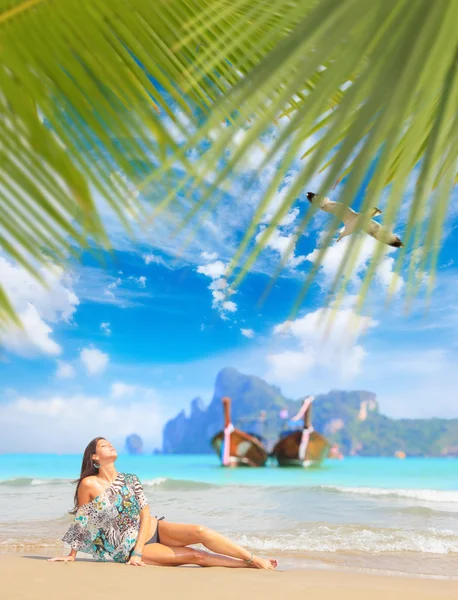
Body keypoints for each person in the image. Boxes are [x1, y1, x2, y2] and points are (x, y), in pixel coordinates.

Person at [48, 437, 278, 569]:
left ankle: (253, 558)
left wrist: (140, 546)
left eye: (110, 443)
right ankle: (250, 566)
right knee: (195, 556)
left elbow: (145, 513)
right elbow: (82, 520)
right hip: (129, 549)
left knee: (200, 531)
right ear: (95, 457)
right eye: (104, 445)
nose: (111, 446)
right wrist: (72, 554)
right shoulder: (88, 484)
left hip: (153, 528)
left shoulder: (131, 479)